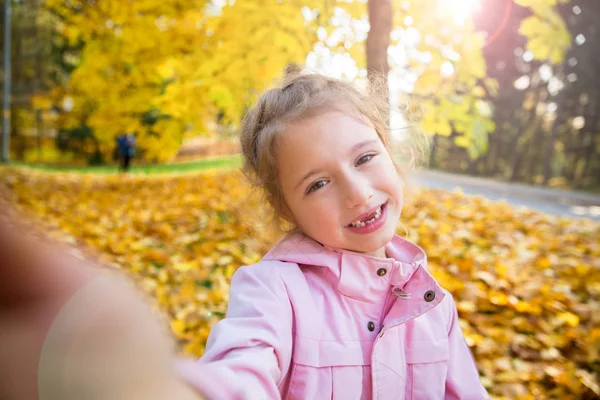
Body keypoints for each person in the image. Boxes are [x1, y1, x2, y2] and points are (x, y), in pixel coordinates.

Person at [176, 73, 490, 399]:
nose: (357, 194)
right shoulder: (273, 291)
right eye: (318, 184)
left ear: (388, 148)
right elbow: (240, 371)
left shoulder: (433, 304)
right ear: (286, 209)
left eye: (364, 158)